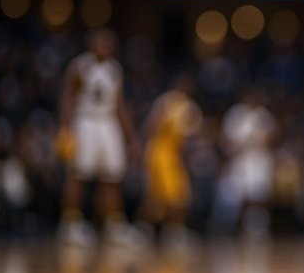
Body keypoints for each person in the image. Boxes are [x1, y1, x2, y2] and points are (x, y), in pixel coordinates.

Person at [57, 29, 145, 248]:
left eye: (109, 44)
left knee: (112, 176)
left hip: (108, 123)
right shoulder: (80, 66)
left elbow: (120, 106)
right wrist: (65, 129)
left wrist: (131, 137)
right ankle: (70, 223)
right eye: (101, 43)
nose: (105, 47)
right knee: (78, 174)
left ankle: (114, 225)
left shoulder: (114, 69)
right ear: (91, 44)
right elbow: (67, 98)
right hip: (85, 121)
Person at [142, 75, 202, 250]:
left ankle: (173, 232)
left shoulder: (191, 108)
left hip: (175, 155)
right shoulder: (166, 102)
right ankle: (144, 230)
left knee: (180, 196)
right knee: (157, 195)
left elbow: (191, 137)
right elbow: (151, 127)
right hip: (160, 152)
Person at [215, 88, 277, 237]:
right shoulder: (236, 114)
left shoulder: (263, 115)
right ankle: (239, 227)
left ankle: (257, 225)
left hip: (258, 159)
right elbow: (226, 137)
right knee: (239, 195)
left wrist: (254, 141)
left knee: (259, 194)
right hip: (240, 159)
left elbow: (270, 136)